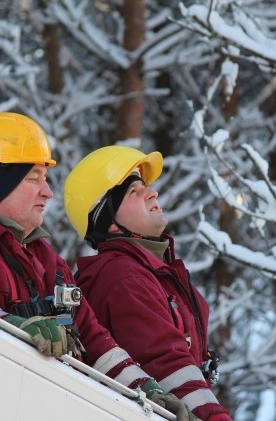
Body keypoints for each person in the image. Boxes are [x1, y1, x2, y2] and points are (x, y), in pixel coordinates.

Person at [0, 113, 194, 420]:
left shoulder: (48, 261)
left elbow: (96, 342)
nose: (47, 192)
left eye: (45, 179)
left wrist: (146, 391)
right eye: (34, 178)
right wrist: (19, 328)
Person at [63, 146, 233, 421]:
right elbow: (165, 364)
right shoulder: (123, 278)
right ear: (111, 224)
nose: (152, 193)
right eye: (134, 192)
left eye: (147, 187)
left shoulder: (158, 274)